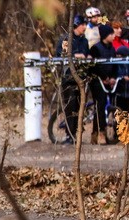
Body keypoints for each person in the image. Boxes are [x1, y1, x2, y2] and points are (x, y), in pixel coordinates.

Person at [54, 14, 90, 145]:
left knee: (80, 107)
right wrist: (74, 56)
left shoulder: (85, 41)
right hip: (68, 77)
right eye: (82, 25)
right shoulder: (66, 39)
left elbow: (86, 55)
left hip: (81, 78)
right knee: (70, 106)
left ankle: (77, 135)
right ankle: (69, 135)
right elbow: (58, 55)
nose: (85, 27)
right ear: (76, 25)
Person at [90, 24, 116, 145]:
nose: (113, 36)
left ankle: (95, 133)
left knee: (108, 106)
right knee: (100, 106)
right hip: (97, 81)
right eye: (111, 34)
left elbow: (115, 64)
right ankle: (101, 133)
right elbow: (94, 66)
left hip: (109, 81)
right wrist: (104, 78)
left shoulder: (112, 49)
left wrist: (113, 78)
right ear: (106, 36)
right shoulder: (95, 49)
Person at [114, 45, 129, 114]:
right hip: (120, 93)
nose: (118, 56)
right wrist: (122, 77)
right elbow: (115, 74)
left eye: (120, 55)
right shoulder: (116, 64)